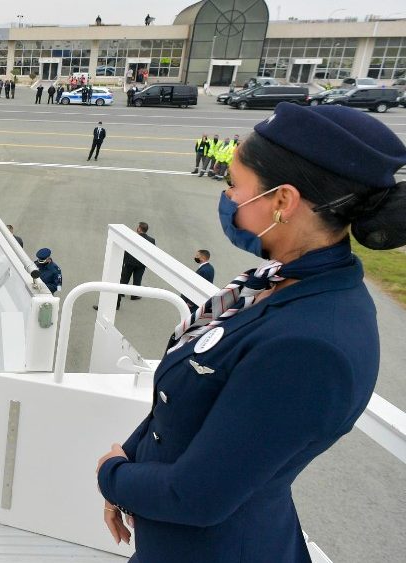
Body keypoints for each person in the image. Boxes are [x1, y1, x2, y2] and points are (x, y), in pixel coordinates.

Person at [97, 103, 406, 563]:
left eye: (233, 186)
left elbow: (196, 496)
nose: (226, 197)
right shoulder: (277, 283)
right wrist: (133, 462)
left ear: (283, 202)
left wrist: (112, 475)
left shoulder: (311, 346)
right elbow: (186, 406)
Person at [116, 222, 155, 308]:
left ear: (139, 229)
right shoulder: (151, 240)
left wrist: (124, 260)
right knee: (137, 279)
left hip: (130, 262)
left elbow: (127, 248)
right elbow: (152, 253)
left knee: (124, 278)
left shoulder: (133, 237)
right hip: (141, 263)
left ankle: (121, 292)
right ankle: (134, 295)